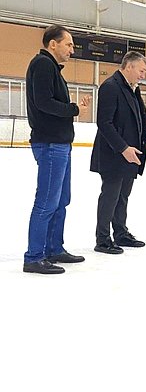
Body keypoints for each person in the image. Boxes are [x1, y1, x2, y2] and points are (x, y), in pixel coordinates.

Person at [90, 51, 146, 254]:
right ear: (128, 66)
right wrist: (122, 148)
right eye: (141, 70)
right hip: (114, 154)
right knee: (110, 196)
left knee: (122, 197)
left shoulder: (132, 89)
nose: (143, 75)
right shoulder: (110, 87)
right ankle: (102, 239)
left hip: (130, 154)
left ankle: (120, 233)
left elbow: (137, 124)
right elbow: (104, 123)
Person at [23, 24, 91, 274]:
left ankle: (54, 248)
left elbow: (52, 102)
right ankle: (34, 256)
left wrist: (73, 108)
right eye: (69, 44)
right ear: (53, 44)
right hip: (51, 144)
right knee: (47, 202)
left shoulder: (51, 68)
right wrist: (74, 110)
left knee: (61, 200)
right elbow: (43, 103)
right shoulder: (42, 65)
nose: (72, 49)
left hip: (60, 143)